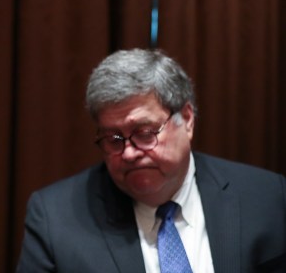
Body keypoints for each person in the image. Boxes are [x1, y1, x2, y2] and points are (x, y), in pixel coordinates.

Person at [17, 49, 286, 272]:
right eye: (113, 138)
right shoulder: (55, 217)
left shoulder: (267, 197)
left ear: (187, 120)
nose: (129, 152)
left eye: (145, 134)